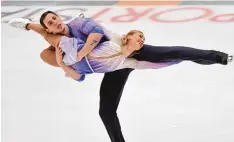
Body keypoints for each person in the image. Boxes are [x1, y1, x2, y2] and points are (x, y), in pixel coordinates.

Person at [8, 11, 233, 142]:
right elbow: (75, 74)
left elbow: (95, 34)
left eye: (55, 19)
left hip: (125, 51)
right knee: (105, 111)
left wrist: (82, 52)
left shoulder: (77, 25)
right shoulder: (63, 48)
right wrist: (62, 63)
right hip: (113, 67)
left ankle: (220, 57)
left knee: (174, 53)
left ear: (60, 19)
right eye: (50, 24)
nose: (55, 23)